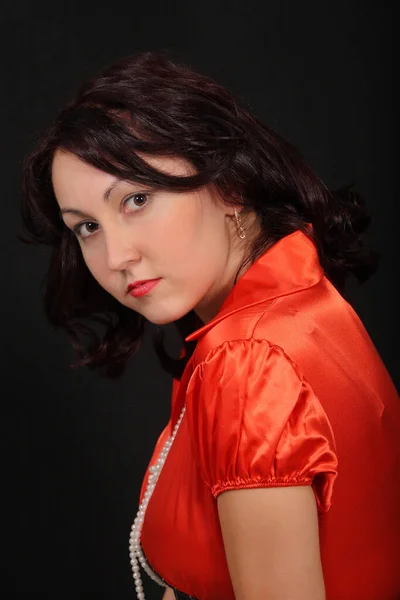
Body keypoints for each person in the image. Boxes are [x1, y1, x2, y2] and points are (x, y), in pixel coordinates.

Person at [20, 51, 400, 600]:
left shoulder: (247, 366)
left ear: (231, 185)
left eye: (136, 199)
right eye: (85, 228)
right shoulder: (302, 302)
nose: (116, 256)